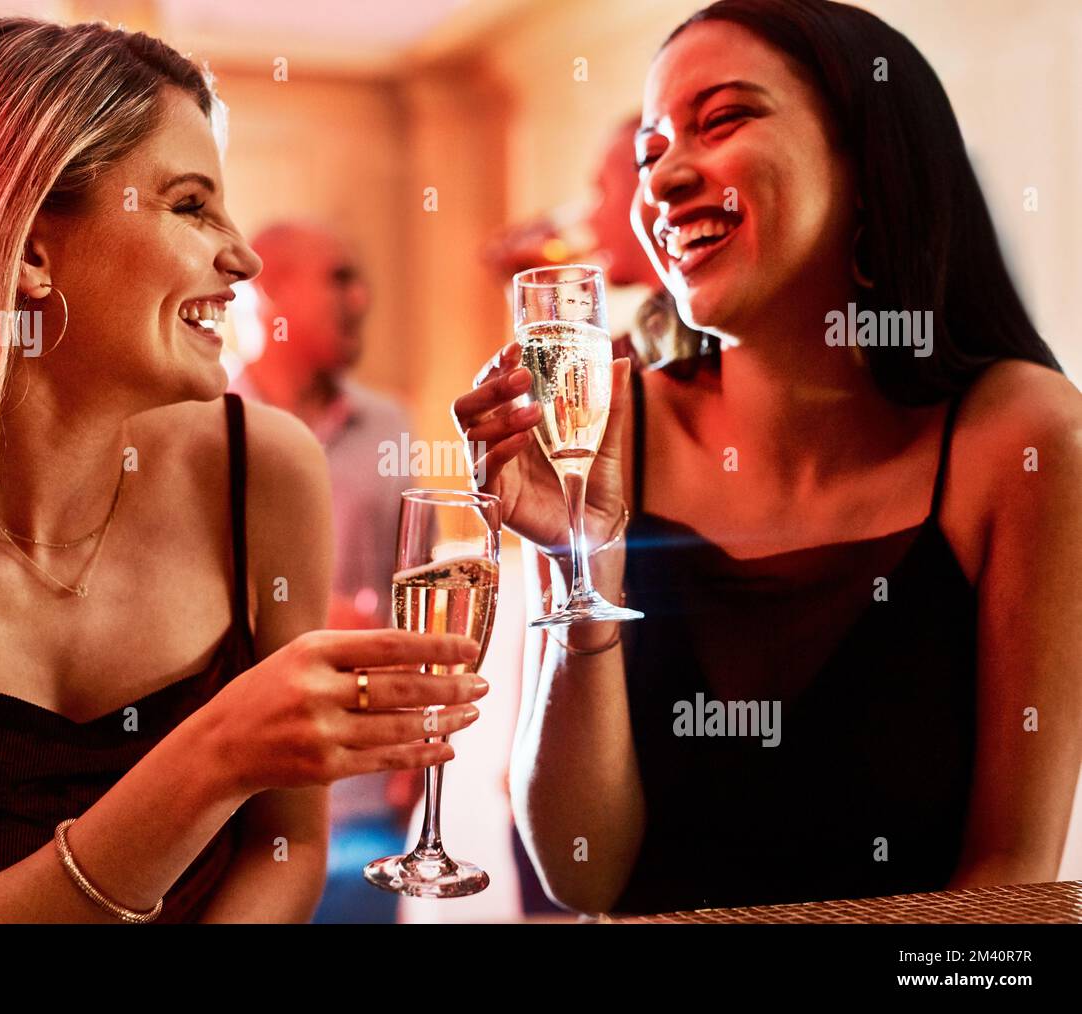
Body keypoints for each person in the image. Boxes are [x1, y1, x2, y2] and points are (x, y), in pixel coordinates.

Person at [0, 17, 487, 924]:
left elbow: (288, 849)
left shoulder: (262, 467)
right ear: (31, 249)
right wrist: (217, 753)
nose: (244, 257)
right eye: (191, 206)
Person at [456, 0, 1082, 916]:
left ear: (868, 161)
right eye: (650, 151)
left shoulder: (1023, 438)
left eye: (723, 119)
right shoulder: (610, 427)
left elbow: (1008, 881)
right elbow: (582, 871)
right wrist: (573, 561)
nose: (663, 176)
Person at [228, 222, 417, 921]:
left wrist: (416, 748)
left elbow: (413, 589)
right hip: (244, 799)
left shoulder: (393, 425)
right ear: (270, 288)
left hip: (369, 787)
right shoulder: (197, 425)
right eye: (339, 277)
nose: (362, 297)